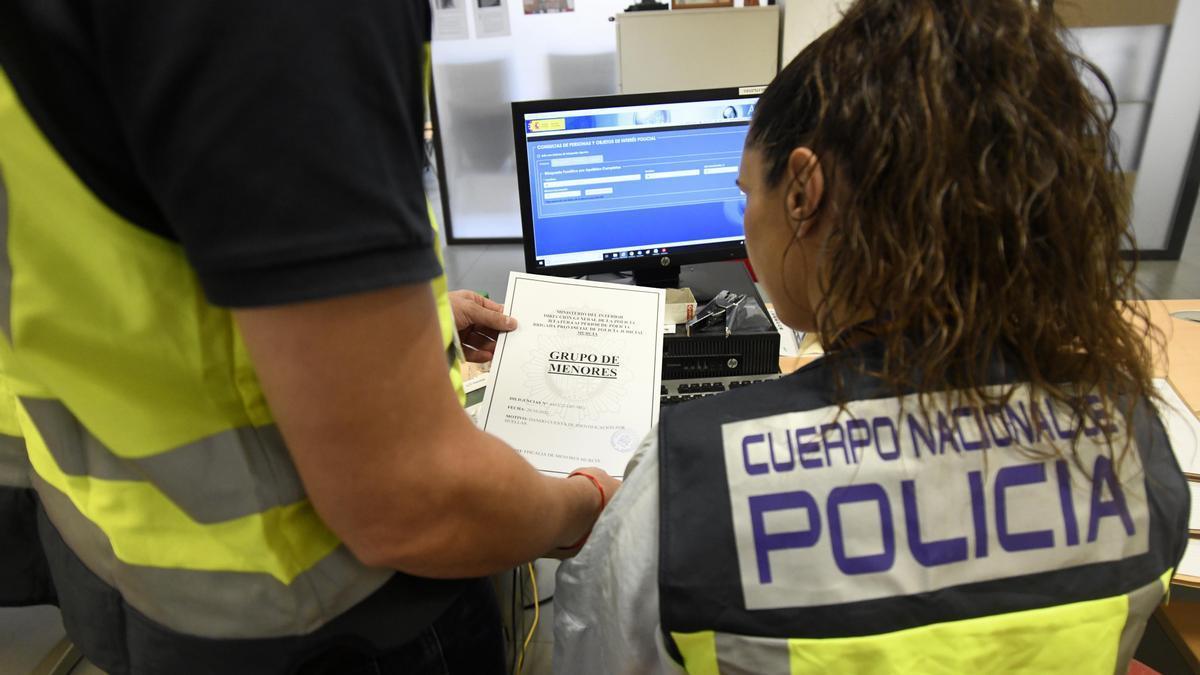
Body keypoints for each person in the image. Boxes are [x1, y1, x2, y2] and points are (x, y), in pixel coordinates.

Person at [554, 0, 1190, 672]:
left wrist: (621, 515)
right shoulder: (1134, 439)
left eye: (747, 192)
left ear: (803, 189)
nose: (745, 221)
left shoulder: (690, 484)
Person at [0, 2, 618, 673]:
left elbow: (139, 249)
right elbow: (414, 501)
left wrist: (398, 323)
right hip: (326, 615)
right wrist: (584, 503)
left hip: (118, 548)